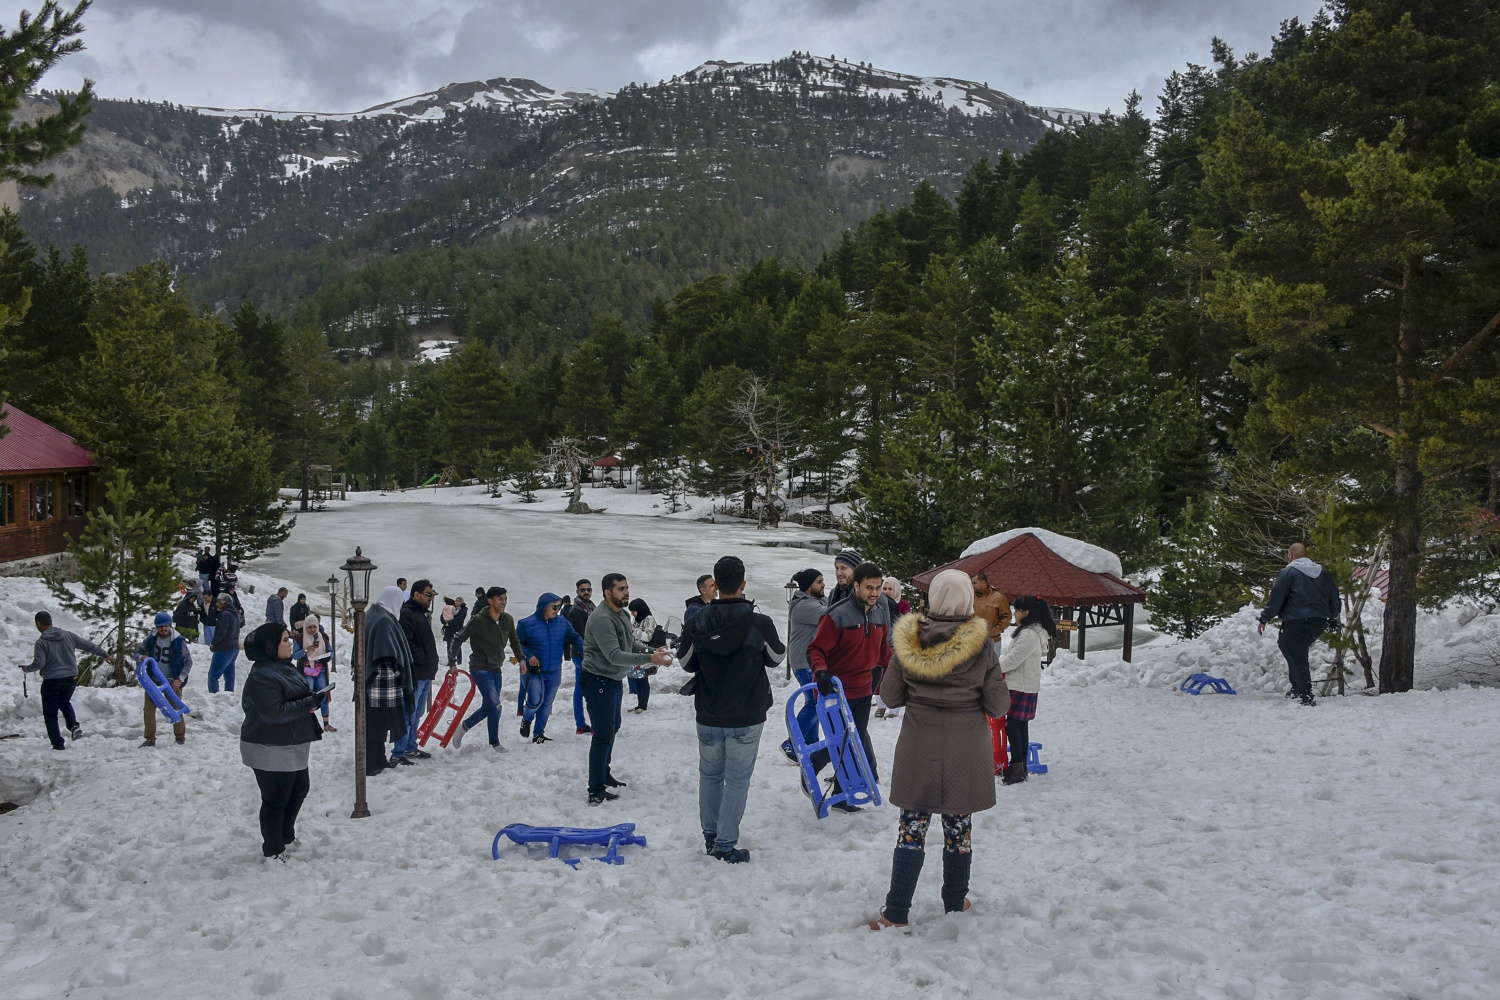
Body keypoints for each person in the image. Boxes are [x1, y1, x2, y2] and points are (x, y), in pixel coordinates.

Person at [869, 569, 1009, 929]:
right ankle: (954, 902)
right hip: (967, 747)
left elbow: (890, 696)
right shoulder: (982, 645)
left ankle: (896, 912)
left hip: (919, 744)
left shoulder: (909, 640)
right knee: (959, 828)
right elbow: (998, 705)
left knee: (912, 828)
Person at [678, 555, 785, 862]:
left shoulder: (698, 620)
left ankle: (711, 836)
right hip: (746, 712)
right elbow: (777, 657)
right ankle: (725, 844)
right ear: (743, 584)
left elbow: (685, 662)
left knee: (710, 775)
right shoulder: (759, 622)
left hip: (709, 710)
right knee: (737, 779)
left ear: (715, 585)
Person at [240, 621, 331, 861]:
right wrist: (309, 702)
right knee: (276, 799)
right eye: (284, 640)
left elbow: (293, 697)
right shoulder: (262, 676)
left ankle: (285, 836)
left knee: (299, 789)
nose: (290, 643)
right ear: (269, 646)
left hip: (291, 741)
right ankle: (273, 848)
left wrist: (312, 698)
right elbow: (274, 712)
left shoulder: (283, 667)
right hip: (269, 746)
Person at [580, 573, 673, 805]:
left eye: (627, 588)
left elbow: (629, 644)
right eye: (621, 589)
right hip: (598, 681)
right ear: (607, 593)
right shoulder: (602, 618)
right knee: (602, 734)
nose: (626, 592)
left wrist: (652, 651)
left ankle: (604, 773)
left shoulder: (621, 614)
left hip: (612, 680)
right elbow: (614, 655)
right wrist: (650, 658)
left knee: (613, 727)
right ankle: (595, 790)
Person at [806, 560, 891, 810]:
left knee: (853, 742)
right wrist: (821, 672)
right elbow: (816, 649)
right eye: (869, 587)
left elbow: (885, 652)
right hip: (835, 690)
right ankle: (811, 763)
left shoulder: (879, 613)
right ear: (856, 586)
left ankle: (841, 795)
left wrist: (904, 669)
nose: (874, 593)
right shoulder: (837, 614)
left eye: (878, 587)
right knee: (839, 740)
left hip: (864, 687)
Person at [1258, 543, 1342, 707]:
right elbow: (1334, 595)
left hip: (1296, 619)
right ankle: (1297, 688)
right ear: (1306, 554)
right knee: (1289, 647)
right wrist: (1333, 617)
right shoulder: (1323, 573)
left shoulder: (1288, 572)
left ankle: (1305, 694)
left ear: (1291, 555)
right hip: (1318, 621)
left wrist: (1264, 618)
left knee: (1296, 654)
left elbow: (1277, 597)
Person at [19, 610, 114, 750]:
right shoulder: (68, 635)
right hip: (71, 678)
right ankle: (74, 726)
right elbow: (88, 646)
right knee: (64, 702)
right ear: (50, 622)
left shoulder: (42, 642)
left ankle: (58, 744)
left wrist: (27, 669)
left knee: (50, 713)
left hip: (52, 680)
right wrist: (105, 655)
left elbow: (39, 664)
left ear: (38, 624)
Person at [450, 586, 524, 752]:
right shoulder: (478, 620)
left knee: (490, 706)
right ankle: (493, 742)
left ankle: (468, 729)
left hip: (496, 668)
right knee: (495, 705)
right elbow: (457, 638)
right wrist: (452, 662)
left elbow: (514, 641)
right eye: (500, 599)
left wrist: (521, 659)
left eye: (505, 599)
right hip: (480, 668)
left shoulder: (507, 620)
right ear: (490, 601)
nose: (504, 602)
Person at [996, 595, 1058, 785]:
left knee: (1014, 726)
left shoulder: (1029, 634)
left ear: (1026, 612)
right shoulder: (1031, 631)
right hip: (1024, 684)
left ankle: (1017, 769)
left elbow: (1013, 659)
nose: (1014, 614)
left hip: (1020, 685)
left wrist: (992, 667)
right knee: (1020, 725)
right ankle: (1020, 767)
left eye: (1017, 610)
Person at [515, 592, 585, 744]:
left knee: (547, 702)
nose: (557, 610)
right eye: (554, 607)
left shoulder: (562, 622)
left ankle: (538, 733)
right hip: (533, 671)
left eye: (559, 607)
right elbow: (518, 644)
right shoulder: (526, 624)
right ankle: (527, 718)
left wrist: (586, 651)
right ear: (543, 607)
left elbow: (574, 637)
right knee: (535, 700)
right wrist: (529, 656)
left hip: (554, 670)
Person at [363, 586, 415, 774]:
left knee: (376, 725)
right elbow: (387, 653)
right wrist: (401, 674)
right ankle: (372, 763)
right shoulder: (384, 620)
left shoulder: (373, 613)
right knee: (378, 726)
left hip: (372, 681)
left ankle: (379, 759)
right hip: (382, 684)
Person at [779, 567, 826, 763]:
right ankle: (791, 743)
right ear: (808, 587)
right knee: (816, 702)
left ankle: (810, 743)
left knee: (814, 701)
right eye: (819, 582)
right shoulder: (805, 606)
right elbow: (832, 616)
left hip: (809, 661)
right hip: (804, 662)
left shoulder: (815, 601)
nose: (823, 585)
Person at [392, 579, 440, 764]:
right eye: (428, 594)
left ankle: (411, 746)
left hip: (426, 673)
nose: (430, 598)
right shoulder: (407, 613)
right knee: (409, 713)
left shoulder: (420, 613)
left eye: (432, 595)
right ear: (416, 594)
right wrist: (423, 659)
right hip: (415, 673)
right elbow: (407, 642)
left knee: (417, 713)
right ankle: (399, 752)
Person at [137, 611, 193, 747]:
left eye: (166, 626)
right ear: (156, 627)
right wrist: (141, 657)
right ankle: (150, 738)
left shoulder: (178, 641)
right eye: (160, 627)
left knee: (176, 708)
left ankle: (180, 737)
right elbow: (136, 653)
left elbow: (188, 662)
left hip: (172, 681)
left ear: (170, 626)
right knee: (148, 711)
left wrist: (180, 679)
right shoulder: (151, 639)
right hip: (153, 681)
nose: (163, 629)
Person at [876, 576, 914, 720]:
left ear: (896, 590)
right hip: (881, 644)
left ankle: (893, 709)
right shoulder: (878, 604)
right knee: (879, 675)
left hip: (896, 646)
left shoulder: (903, 606)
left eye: (890, 589)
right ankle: (880, 705)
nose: (887, 592)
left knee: (894, 676)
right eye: (884, 588)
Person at [563, 579, 596, 735]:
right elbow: (580, 636)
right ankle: (589, 723)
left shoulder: (590, 606)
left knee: (580, 688)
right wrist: (586, 654)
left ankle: (581, 724)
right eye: (583, 590)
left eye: (588, 589)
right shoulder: (576, 610)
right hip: (583, 654)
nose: (586, 592)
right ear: (577, 591)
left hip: (584, 653)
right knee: (589, 688)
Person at [296, 613, 336, 732]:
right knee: (309, 697)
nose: (312, 629)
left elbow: (330, 651)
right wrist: (306, 650)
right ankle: (308, 724)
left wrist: (326, 657)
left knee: (323, 695)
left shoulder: (323, 637)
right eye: (309, 627)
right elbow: (295, 655)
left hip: (320, 669)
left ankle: (326, 723)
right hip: (307, 670)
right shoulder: (299, 638)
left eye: (314, 627)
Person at [626, 598, 660, 713]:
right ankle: (639, 704)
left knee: (642, 679)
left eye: (633, 611)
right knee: (636, 678)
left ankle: (643, 705)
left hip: (645, 653)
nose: (632, 614)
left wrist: (634, 629)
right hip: (635, 654)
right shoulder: (637, 619)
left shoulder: (649, 619)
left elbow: (647, 637)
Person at [208, 593, 242, 693]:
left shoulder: (225, 615)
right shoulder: (235, 613)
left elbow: (221, 632)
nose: (217, 604)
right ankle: (229, 695)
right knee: (229, 675)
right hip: (234, 647)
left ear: (224, 603)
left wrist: (214, 643)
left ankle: (214, 696)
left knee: (213, 676)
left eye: (218, 602)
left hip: (224, 648)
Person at [971, 572, 1012, 647]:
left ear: (983, 583)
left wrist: (995, 630)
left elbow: (1007, 617)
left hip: (993, 641)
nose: (972, 585)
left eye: (975, 583)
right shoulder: (970, 596)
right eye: (972, 583)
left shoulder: (998, 597)